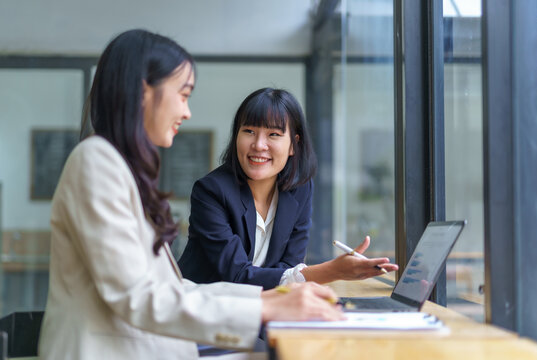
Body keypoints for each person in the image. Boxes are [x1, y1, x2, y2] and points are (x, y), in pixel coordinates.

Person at [38, 30, 343, 360]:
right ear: (144, 92)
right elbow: (139, 298)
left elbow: (168, 288)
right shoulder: (96, 163)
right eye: (183, 95)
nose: (187, 112)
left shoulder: (117, 166)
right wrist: (263, 309)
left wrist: (266, 301)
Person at [178, 88, 398, 290]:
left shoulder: (300, 188)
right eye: (249, 131)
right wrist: (332, 271)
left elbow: (289, 265)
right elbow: (236, 275)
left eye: (273, 134)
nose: (259, 145)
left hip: (266, 310)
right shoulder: (211, 192)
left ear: (293, 144)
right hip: (204, 316)